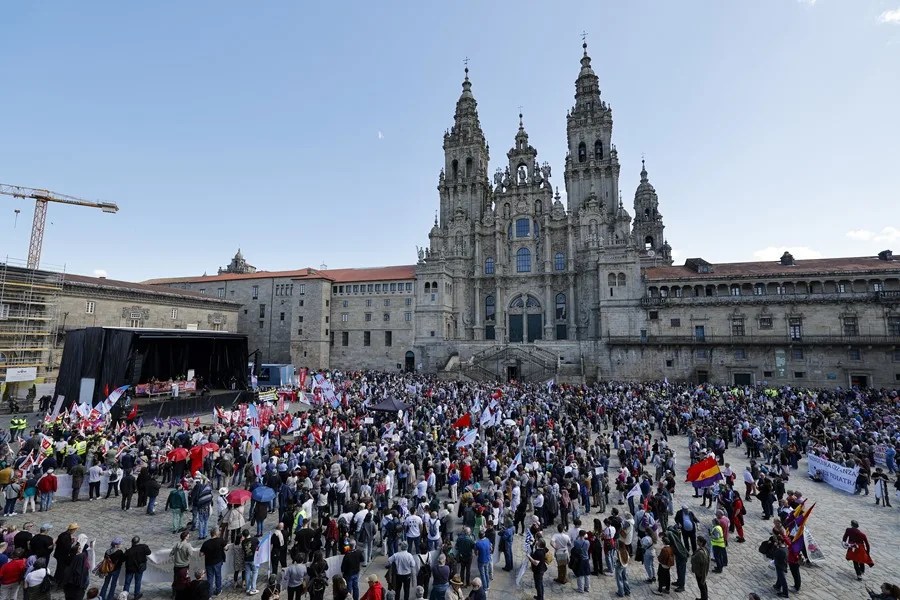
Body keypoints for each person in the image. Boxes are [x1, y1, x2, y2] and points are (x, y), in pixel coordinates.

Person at [200, 528, 228, 596]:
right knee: (218, 576)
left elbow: (201, 554)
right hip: (218, 562)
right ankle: (218, 590)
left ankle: (209, 593)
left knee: (210, 578)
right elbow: (226, 548)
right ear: (216, 533)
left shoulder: (206, 543)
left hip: (208, 563)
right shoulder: (220, 541)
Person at [123, 536, 152, 600]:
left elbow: (123, 558)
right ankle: (136, 594)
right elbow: (149, 552)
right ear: (138, 541)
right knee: (138, 581)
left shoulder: (129, 551)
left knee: (127, 582)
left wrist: (126, 551)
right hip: (139, 568)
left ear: (132, 542)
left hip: (130, 569)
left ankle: (124, 595)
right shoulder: (144, 547)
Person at [170, 531, 194, 596]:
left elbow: (171, 553)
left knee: (176, 579)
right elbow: (191, 554)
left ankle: (174, 594)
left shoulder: (176, 544)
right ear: (186, 537)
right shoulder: (188, 545)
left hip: (176, 565)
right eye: (188, 535)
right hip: (185, 565)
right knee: (185, 579)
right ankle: (185, 593)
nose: (189, 535)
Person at [240, 530, 260, 595]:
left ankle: (248, 588)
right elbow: (259, 545)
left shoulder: (243, 542)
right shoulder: (254, 539)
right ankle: (253, 589)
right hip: (253, 559)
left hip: (246, 559)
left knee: (247, 573)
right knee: (255, 572)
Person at [572, 529, 592, 593]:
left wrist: (578, 536)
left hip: (580, 560)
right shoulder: (587, 542)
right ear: (584, 535)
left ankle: (580, 589)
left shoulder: (576, 542)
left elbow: (575, 547)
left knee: (580, 575)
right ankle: (587, 588)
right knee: (587, 574)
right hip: (586, 559)